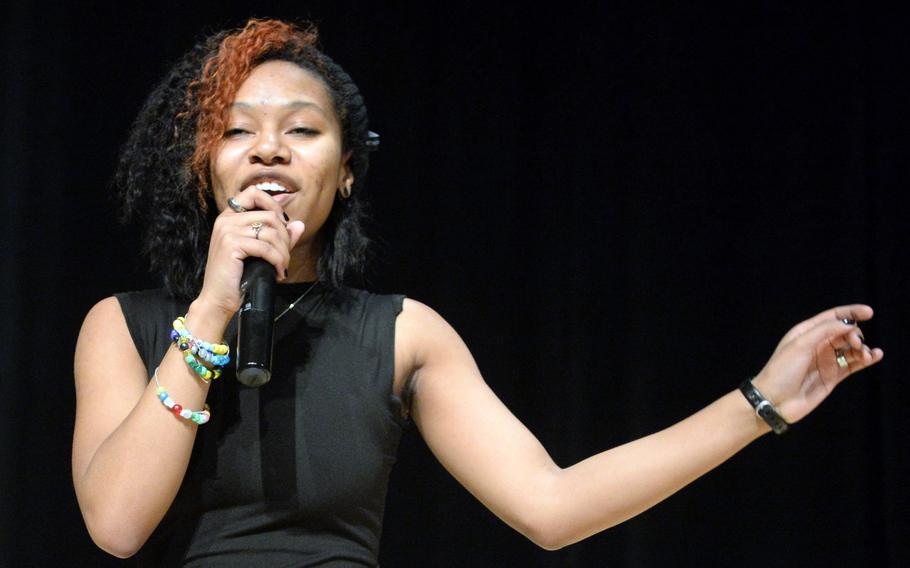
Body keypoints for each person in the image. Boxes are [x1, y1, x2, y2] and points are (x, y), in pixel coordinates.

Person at [72, 18, 884, 566]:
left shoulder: (401, 334)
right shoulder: (122, 326)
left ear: (346, 170)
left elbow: (553, 507)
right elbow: (116, 525)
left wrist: (760, 402)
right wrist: (212, 312)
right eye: (240, 131)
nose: (270, 150)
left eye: (304, 130)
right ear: (204, 167)